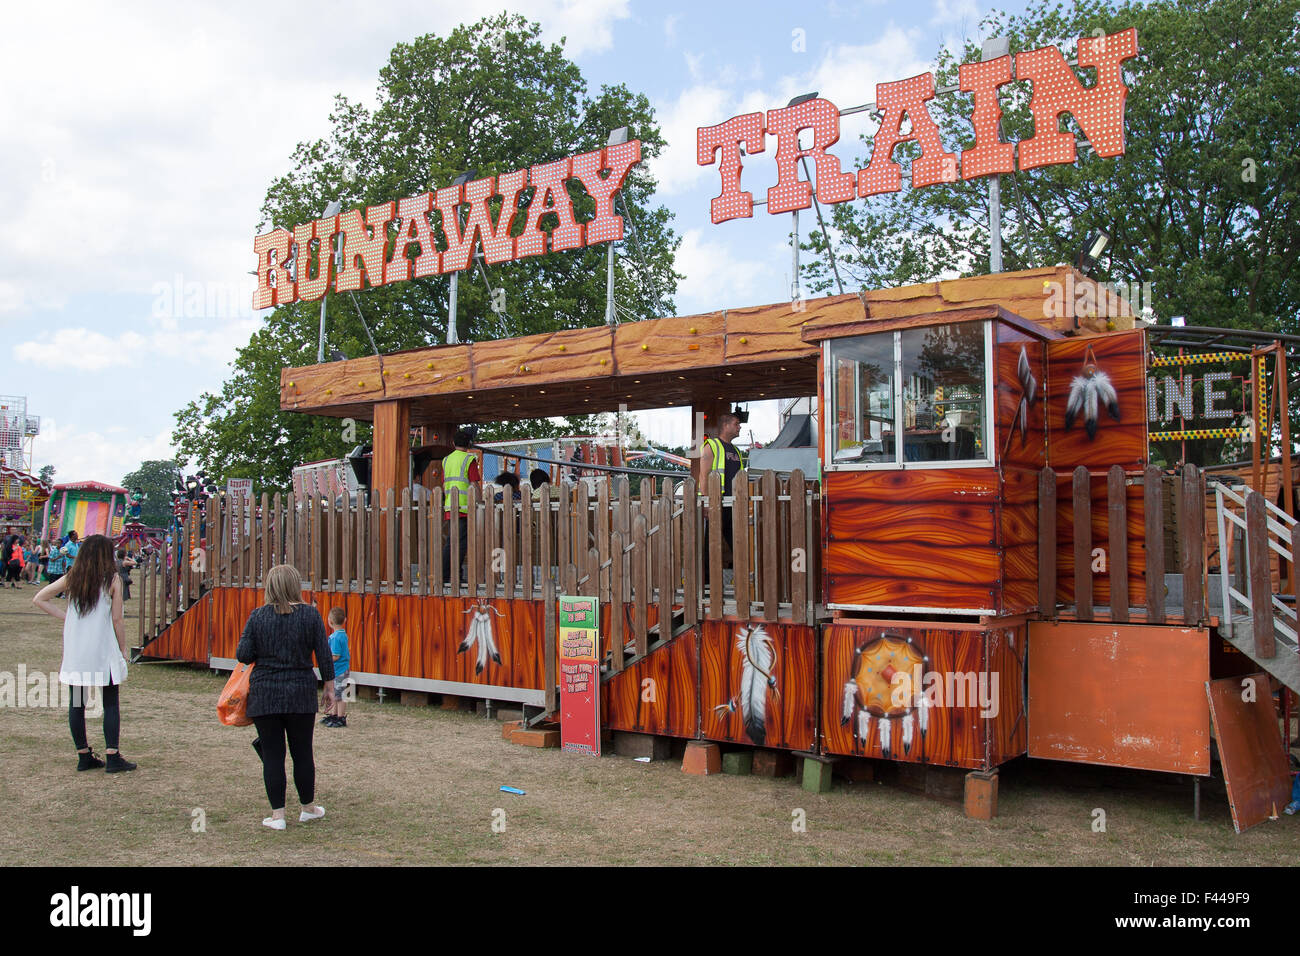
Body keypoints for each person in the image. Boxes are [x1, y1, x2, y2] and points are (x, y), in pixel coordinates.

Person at [235, 564, 334, 830]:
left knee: (273, 754)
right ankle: (308, 808)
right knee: (303, 752)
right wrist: (329, 687)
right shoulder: (311, 616)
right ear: (295, 585)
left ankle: (277, 815)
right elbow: (324, 654)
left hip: (265, 693)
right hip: (300, 692)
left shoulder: (257, 616)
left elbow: (243, 654)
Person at [32, 534, 135, 772]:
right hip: (102, 649)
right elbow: (117, 619)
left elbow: (40, 598)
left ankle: (83, 754)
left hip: (78, 650)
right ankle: (113, 755)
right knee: (110, 701)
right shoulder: (112, 579)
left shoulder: (73, 577)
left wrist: (67, 617)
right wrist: (122, 648)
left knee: (77, 703)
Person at [701, 412, 746, 583]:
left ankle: (741, 581)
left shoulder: (736, 451)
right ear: (726, 425)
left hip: (733, 505)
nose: (739, 426)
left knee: (739, 544)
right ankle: (707, 585)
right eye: (736, 423)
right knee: (711, 546)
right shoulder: (711, 445)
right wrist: (706, 503)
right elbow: (704, 475)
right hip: (716, 505)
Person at [441, 428, 480, 586]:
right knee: (460, 542)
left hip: (450, 505)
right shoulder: (469, 459)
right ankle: (453, 575)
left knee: (451, 541)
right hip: (464, 506)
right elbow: (474, 483)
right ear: (469, 443)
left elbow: (444, 484)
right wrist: (481, 501)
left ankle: (448, 574)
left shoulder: (446, 460)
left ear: (453, 443)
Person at [321, 607, 351, 728]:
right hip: (342, 669)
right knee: (335, 693)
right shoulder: (343, 635)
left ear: (330, 621)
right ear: (345, 620)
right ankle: (334, 715)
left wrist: (326, 659)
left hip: (339, 670)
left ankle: (341, 717)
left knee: (340, 694)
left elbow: (336, 655)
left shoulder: (334, 638)